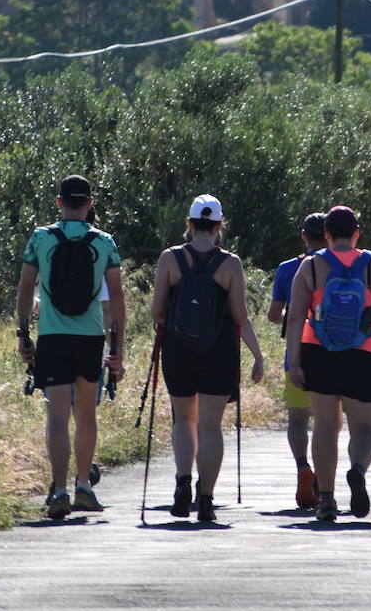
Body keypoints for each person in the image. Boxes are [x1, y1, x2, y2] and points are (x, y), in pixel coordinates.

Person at [16, 175, 126, 520]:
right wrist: (118, 346)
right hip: (90, 337)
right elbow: (117, 296)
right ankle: (84, 488)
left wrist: (23, 334)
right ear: (90, 204)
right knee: (87, 415)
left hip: (52, 335)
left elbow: (24, 290)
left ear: (59, 202)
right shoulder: (105, 242)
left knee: (58, 415)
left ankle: (59, 490)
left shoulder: (40, 238)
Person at [149, 194, 264, 523]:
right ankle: (207, 499)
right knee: (210, 425)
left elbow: (157, 311)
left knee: (183, 420)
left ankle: (182, 483)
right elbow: (239, 316)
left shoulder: (170, 259)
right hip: (219, 351)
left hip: (178, 349)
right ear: (219, 226)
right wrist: (257, 355)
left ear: (189, 223)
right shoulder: (230, 264)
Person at [285, 205, 371, 523]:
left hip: (318, 352)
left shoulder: (310, 267)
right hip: (363, 353)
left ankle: (326, 499)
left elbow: (295, 316)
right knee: (364, 426)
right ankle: (358, 471)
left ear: (326, 235)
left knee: (325, 425)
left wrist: (293, 361)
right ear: (356, 233)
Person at [267, 212, 326, 510]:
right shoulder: (340, 266)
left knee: (298, 419)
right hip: (332, 354)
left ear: (303, 236)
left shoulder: (288, 268)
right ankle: (325, 484)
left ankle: (303, 467)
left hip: (297, 353)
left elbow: (274, 315)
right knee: (327, 422)